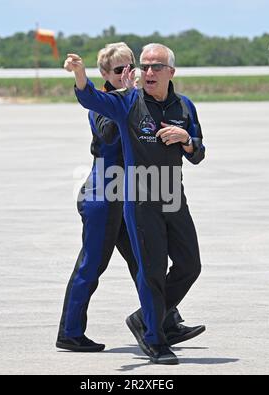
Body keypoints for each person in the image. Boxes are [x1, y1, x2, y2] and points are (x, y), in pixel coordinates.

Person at [57, 43, 201, 355]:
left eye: (129, 66)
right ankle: (70, 332)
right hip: (105, 196)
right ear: (105, 75)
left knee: (144, 264)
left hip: (135, 195)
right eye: (118, 70)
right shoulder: (108, 103)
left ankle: (163, 321)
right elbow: (110, 133)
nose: (128, 73)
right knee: (93, 264)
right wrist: (123, 93)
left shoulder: (140, 98)